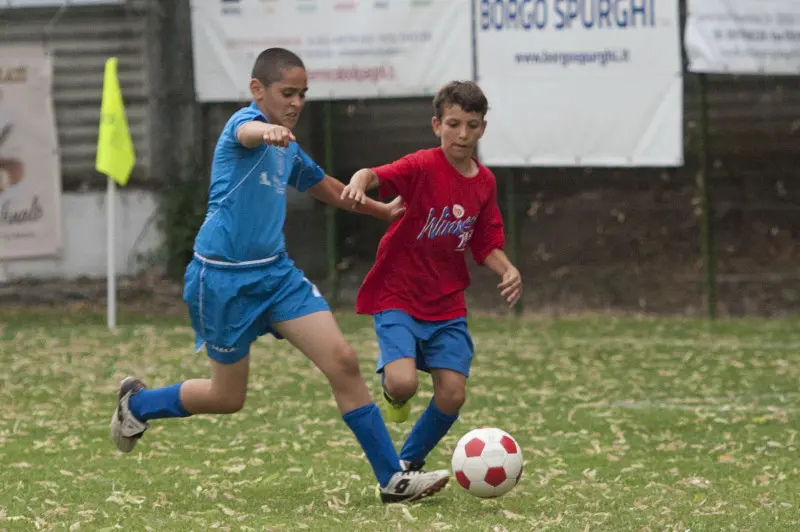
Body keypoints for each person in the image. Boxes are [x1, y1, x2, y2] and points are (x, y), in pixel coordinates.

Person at [109, 48, 450, 503]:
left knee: (343, 361)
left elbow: (328, 186)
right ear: (258, 90)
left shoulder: (288, 147)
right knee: (228, 396)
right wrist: (264, 129)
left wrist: (379, 209)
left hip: (276, 277)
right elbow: (248, 133)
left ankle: (392, 480)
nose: (296, 103)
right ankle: (139, 404)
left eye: (303, 94)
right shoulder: (243, 126)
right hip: (222, 281)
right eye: (287, 93)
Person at [340, 80, 522, 471]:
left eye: (472, 125)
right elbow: (376, 174)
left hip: (446, 302)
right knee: (403, 383)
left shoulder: (485, 183)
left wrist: (507, 270)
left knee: (453, 393)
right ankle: (395, 395)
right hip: (398, 295)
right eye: (454, 124)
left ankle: (408, 461)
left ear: (483, 128)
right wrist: (358, 181)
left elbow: (485, 241)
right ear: (436, 125)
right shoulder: (422, 165)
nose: (463, 134)